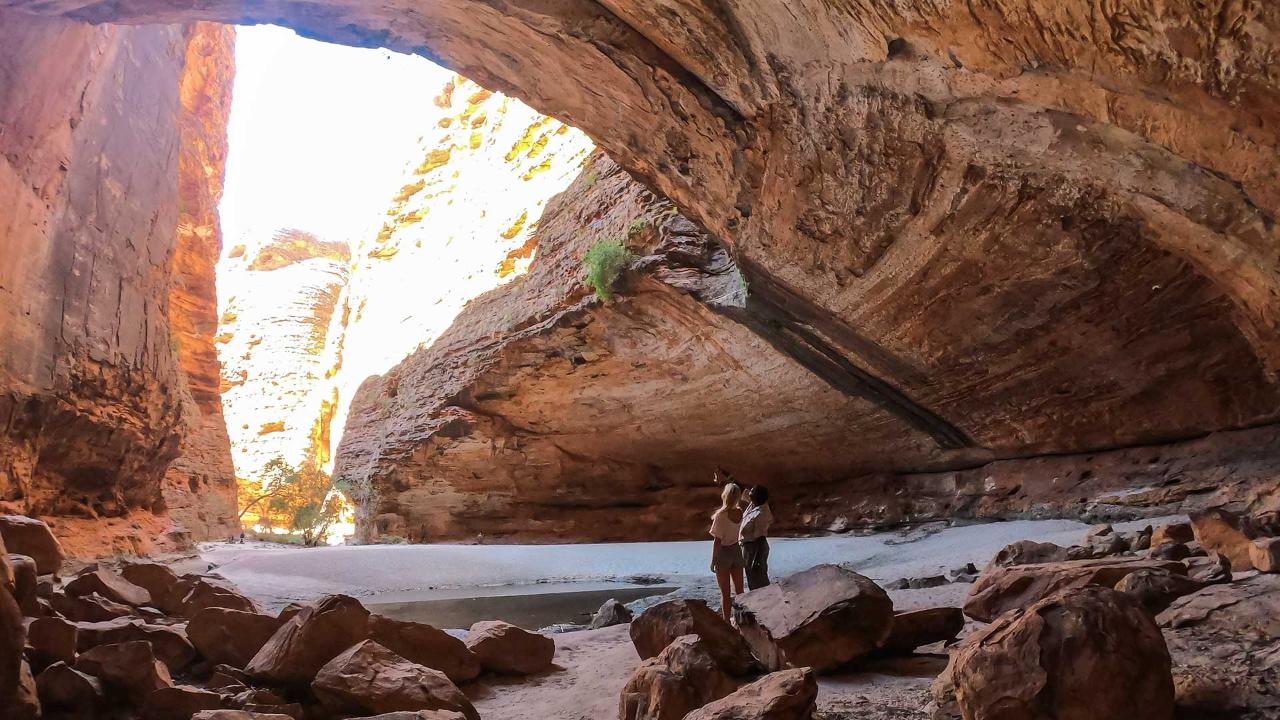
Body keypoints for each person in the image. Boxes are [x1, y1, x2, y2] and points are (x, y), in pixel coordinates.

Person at [709, 482, 745, 621]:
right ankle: (742, 619)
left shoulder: (721, 516)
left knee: (725, 593)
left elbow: (717, 541)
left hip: (724, 553)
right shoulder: (740, 513)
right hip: (736, 550)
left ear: (725, 495)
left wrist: (713, 560)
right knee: (740, 591)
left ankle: (726, 623)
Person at [740, 485, 772, 590]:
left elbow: (760, 538)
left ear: (757, 497)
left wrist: (756, 560)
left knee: (758, 576)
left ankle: (766, 601)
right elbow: (741, 489)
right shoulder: (753, 504)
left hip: (755, 547)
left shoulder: (762, 513)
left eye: (752, 492)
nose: (749, 492)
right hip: (748, 546)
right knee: (751, 576)